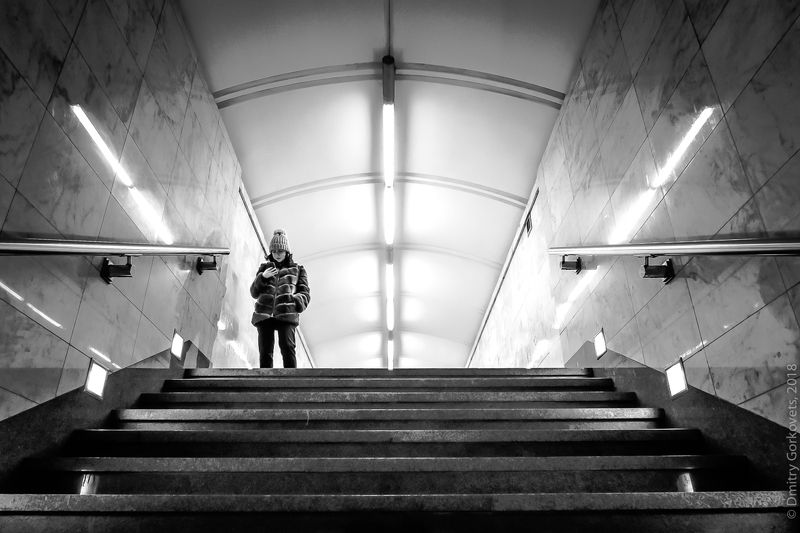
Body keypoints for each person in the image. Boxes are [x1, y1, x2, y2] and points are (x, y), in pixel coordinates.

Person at [250, 229, 310, 368]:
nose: (277, 254)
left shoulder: (298, 269)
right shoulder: (264, 268)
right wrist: (262, 277)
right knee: (265, 351)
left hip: (286, 312)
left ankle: (291, 383)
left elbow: (305, 293)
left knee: (288, 348)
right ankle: (265, 383)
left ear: (287, 252)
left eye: (280, 251)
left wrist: (294, 301)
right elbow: (254, 292)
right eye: (274, 251)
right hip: (264, 314)